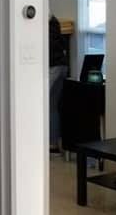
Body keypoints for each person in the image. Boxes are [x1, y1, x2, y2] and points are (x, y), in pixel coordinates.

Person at [49, 15, 69, 153]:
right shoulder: (55, 23)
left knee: (44, 104)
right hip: (62, 66)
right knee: (53, 106)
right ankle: (53, 143)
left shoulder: (44, 26)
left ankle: (51, 143)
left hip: (53, 67)